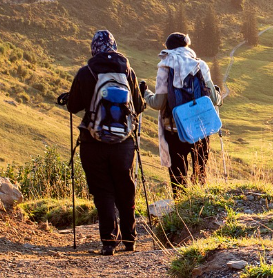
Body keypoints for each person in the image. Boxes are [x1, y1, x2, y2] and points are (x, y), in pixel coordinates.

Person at [67, 30, 145, 256]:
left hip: (93, 141)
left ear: (94, 48)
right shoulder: (127, 71)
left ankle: (109, 241)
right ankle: (130, 238)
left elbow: (73, 106)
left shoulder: (86, 72)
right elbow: (138, 107)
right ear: (114, 46)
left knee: (102, 190)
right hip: (124, 143)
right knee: (125, 187)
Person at [144, 32, 221, 195]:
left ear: (169, 48)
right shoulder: (200, 65)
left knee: (178, 177)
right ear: (187, 46)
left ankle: (181, 208)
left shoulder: (165, 66)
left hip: (175, 129)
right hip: (201, 129)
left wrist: (145, 93)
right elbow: (213, 99)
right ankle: (201, 209)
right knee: (200, 174)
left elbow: (158, 103)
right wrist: (218, 95)